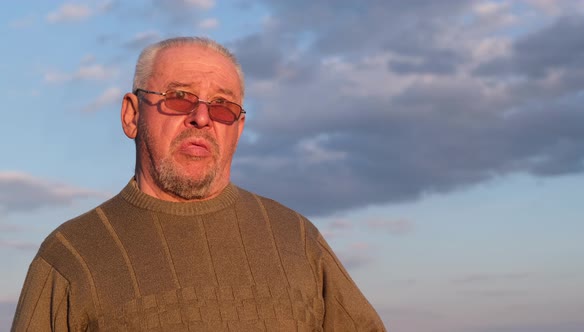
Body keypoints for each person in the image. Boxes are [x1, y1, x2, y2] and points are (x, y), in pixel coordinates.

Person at [12, 37, 385, 331]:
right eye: (178, 98)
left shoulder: (296, 239)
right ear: (131, 115)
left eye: (223, 105)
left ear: (238, 129)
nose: (202, 117)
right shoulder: (71, 256)